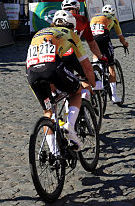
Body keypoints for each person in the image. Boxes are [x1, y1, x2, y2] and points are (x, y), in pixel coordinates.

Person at [25, 9, 95, 148]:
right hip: (51, 68)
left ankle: (54, 152)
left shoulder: (39, 33)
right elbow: (86, 65)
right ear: (72, 26)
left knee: (48, 112)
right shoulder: (70, 34)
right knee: (76, 92)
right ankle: (69, 126)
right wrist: (92, 83)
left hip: (31, 72)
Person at [89, 3, 129, 104]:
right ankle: (114, 96)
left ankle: (97, 72)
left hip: (92, 39)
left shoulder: (94, 17)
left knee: (97, 55)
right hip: (103, 38)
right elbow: (120, 36)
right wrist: (125, 44)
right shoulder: (113, 18)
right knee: (111, 66)